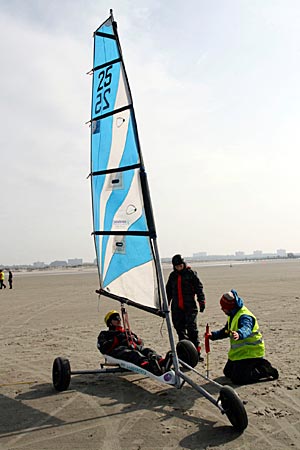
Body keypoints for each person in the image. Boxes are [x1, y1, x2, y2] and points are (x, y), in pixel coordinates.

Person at [208, 289, 279, 384]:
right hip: (239, 354)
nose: (222, 309)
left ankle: (264, 369)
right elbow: (226, 331)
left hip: (251, 353)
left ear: (230, 307)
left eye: (223, 307)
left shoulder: (245, 316)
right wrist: (213, 335)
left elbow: (246, 328)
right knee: (228, 373)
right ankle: (254, 365)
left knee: (238, 379)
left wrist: (239, 334)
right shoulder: (232, 315)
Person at [97, 310, 172, 376]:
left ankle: (161, 361)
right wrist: (117, 339)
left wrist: (135, 339)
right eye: (115, 319)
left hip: (133, 347)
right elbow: (103, 347)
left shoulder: (126, 331)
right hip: (118, 350)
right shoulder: (105, 334)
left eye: (119, 318)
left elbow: (141, 342)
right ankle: (149, 365)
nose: (119, 320)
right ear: (110, 323)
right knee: (134, 354)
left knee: (147, 351)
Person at [166, 254, 206, 361]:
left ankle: (196, 352)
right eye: (177, 266)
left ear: (183, 264)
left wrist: (201, 301)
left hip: (190, 306)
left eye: (180, 265)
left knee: (192, 329)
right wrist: (166, 304)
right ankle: (185, 353)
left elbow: (199, 288)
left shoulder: (191, 274)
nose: (179, 268)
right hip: (176, 307)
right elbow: (168, 291)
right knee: (180, 329)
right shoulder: (172, 276)